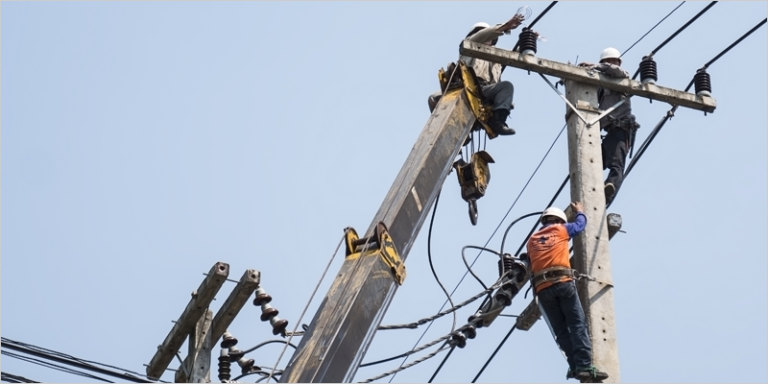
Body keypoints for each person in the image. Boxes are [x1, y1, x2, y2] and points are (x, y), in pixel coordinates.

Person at [526, 202, 609, 382]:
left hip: (542, 289)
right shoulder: (561, 229)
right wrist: (580, 211)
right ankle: (584, 366)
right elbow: (580, 225)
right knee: (577, 325)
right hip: (562, 283)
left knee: (562, 331)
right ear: (559, 220)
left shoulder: (531, 240)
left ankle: (574, 366)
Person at [428, 14, 528, 136]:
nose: (486, 36)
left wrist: (528, 39)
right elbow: (483, 34)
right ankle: (448, 130)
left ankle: (498, 122)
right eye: (482, 33)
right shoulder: (469, 45)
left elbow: (516, 55)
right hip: (468, 88)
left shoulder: (497, 56)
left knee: (506, 86)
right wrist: (505, 26)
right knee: (434, 98)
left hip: (486, 93)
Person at [578, 47, 640, 204]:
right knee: (592, 160)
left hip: (622, 130)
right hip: (608, 132)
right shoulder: (600, 84)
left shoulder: (623, 77)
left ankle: (609, 191)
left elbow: (615, 71)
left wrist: (595, 66)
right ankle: (592, 192)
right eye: (608, 61)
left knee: (616, 165)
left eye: (614, 61)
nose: (612, 64)